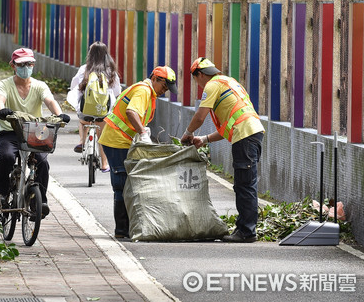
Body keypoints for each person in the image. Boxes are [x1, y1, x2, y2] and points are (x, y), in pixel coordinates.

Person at [180, 57, 265, 243]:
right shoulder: (229, 82)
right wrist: (205, 139)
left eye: (196, 80)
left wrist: (188, 133)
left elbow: (200, 116)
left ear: (200, 75)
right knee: (244, 184)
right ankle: (245, 228)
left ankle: (247, 232)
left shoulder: (211, 86)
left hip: (245, 136)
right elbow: (229, 123)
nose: (199, 85)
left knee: (245, 186)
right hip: (252, 133)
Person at [98, 66, 178, 238]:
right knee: (121, 184)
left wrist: (142, 131)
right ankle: (121, 231)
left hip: (122, 141)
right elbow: (131, 112)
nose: (165, 91)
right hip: (116, 141)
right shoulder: (143, 91)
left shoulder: (149, 93)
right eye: (164, 87)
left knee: (128, 183)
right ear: (156, 79)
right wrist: (142, 132)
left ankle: (127, 229)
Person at [0, 47, 70, 218]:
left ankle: (38, 202)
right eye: (22, 64)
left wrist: (59, 115)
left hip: (35, 132)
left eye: (29, 64)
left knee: (42, 162)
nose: (26, 67)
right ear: (13, 65)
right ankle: (1, 190)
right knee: (7, 157)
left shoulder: (39, 86)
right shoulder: (5, 84)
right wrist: (2, 110)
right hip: (10, 132)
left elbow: (50, 101)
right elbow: (0, 99)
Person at [66, 41, 121, 172]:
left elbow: (74, 85)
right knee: (102, 135)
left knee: (82, 121)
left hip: (86, 110)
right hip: (103, 111)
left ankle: (82, 142)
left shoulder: (84, 69)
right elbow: (117, 91)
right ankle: (104, 164)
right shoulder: (111, 71)